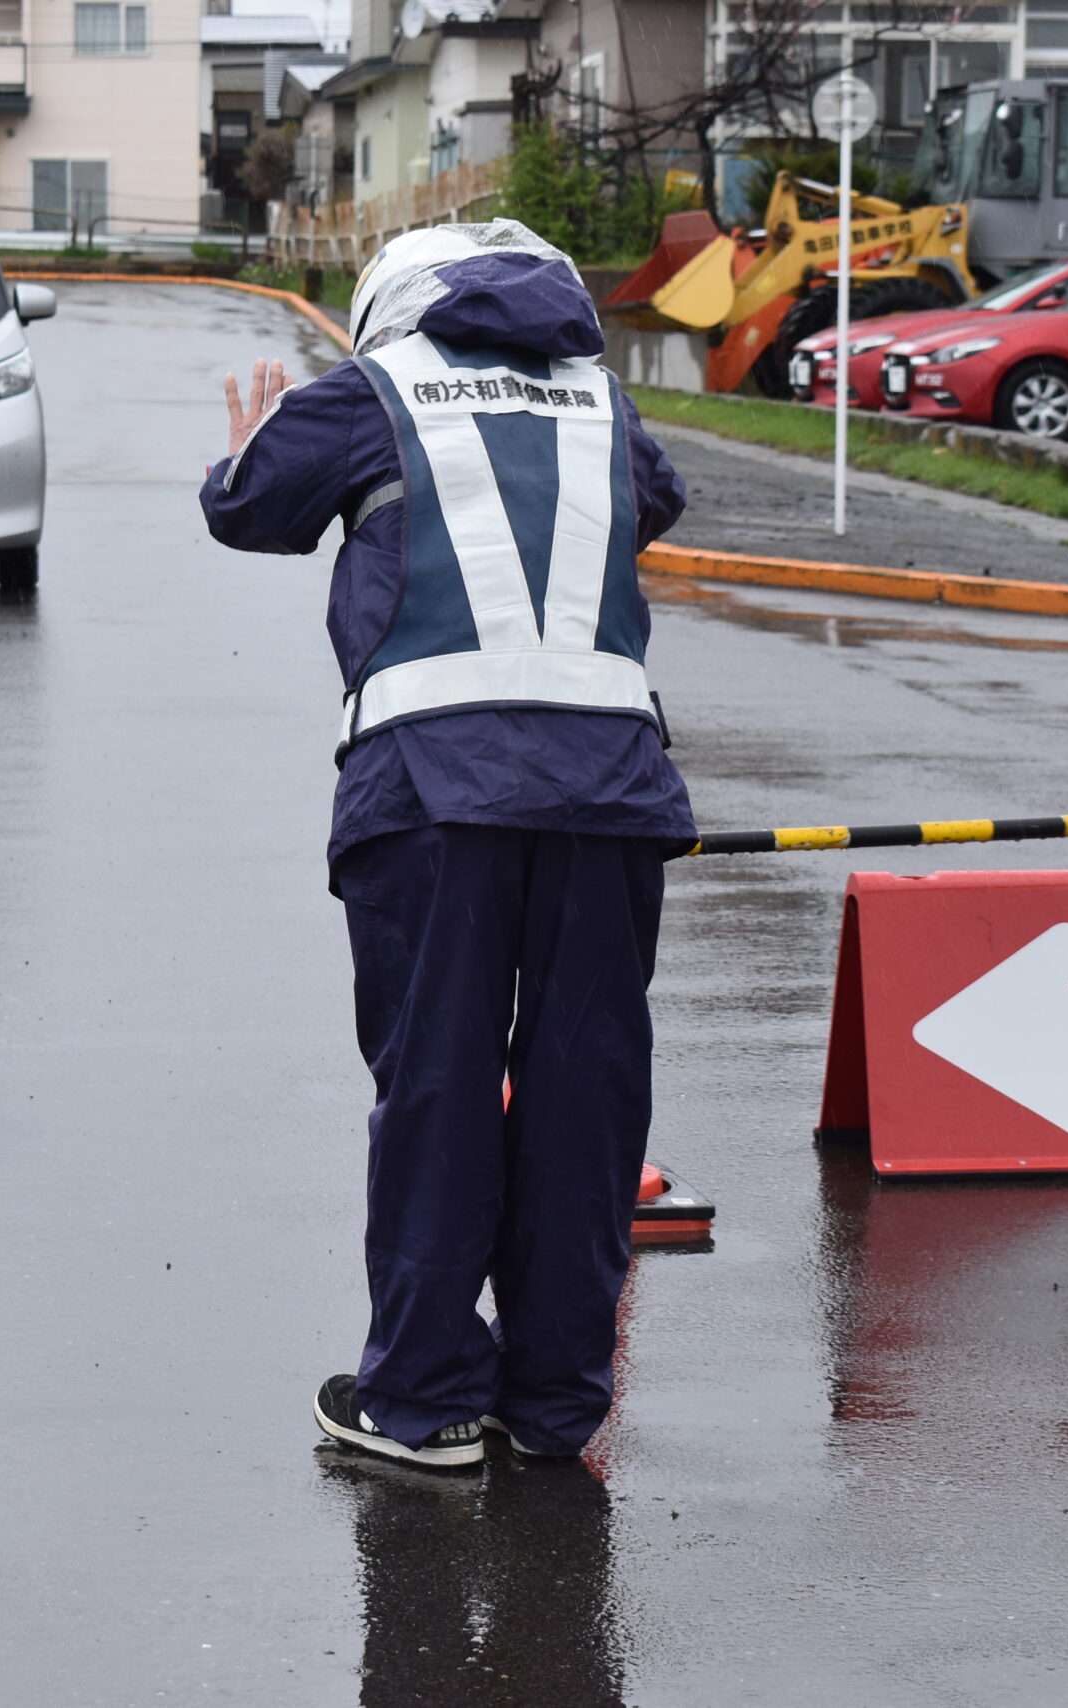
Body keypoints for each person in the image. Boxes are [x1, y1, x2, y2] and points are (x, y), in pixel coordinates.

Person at [198, 220, 693, 1469]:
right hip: (609, 789)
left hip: (431, 790)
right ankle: (554, 1403)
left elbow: (248, 509)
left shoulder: (371, 388)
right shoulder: (605, 401)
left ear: (392, 302)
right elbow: (653, 504)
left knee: (440, 1081)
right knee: (585, 1090)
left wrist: (245, 446)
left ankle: (422, 1400)